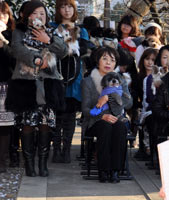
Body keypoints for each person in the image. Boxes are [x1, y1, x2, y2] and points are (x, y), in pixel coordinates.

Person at [6, 0, 67, 177]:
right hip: (26, 83)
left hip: (49, 83)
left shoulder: (53, 32)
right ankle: (29, 164)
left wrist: (48, 40)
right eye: (35, 13)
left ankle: (43, 163)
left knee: (45, 123)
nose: (39, 16)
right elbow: (17, 49)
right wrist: (37, 60)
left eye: (42, 13)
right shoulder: (19, 31)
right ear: (26, 15)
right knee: (27, 124)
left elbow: (62, 52)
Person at [81, 46, 132, 183]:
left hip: (117, 119)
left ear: (116, 63)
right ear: (98, 61)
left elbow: (129, 103)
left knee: (120, 128)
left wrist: (112, 97)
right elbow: (85, 109)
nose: (108, 63)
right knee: (105, 127)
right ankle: (103, 170)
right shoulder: (88, 81)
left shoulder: (119, 79)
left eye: (112, 60)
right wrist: (101, 112)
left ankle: (115, 170)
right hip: (95, 121)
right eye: (104, 59)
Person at [51, 0, 89, 164]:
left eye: (70, 7)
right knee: (55, 116)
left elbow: (85, 52)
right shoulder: (52, 27)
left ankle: (66, 149)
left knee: (69, 115)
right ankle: (56, 149)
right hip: (54, 74)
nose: (66, 10)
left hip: (75, 77)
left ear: (74, 10)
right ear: (58, 9)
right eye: (63, 6)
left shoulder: (82, 30)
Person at [0, 1, 15, 173]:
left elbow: (14, 60)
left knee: (5, 126)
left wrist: (3, 44)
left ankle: (2, 160)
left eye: (4, 14)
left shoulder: (11, 36)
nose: (1, 17)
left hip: (6, 85)